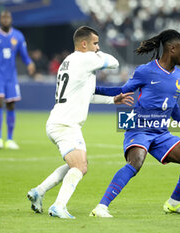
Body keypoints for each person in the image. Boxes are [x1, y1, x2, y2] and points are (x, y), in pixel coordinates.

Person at [90, 29, 180, 218]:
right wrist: (91, 89)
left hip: (161, 133)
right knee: (136, 162)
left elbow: (173, 105)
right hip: (139, 127)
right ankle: (101, 207)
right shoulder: (146, 71)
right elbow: (122, 90)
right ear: (172, 49)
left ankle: (173, 204)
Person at [26, 26, 134, 219]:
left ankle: (39, 191)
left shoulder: (68, 61)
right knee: (80, 167)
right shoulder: (85, 58)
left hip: (58, 121)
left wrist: (112, 100)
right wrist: (100, 54)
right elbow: (115, 62)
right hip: (66, 125)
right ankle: (59, 206)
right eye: (95, 43)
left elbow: (87, 95)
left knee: (76, 165)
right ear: (84, 44)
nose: (98, 47)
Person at [0, 11, 35, 149]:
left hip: (11, 77)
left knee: (11, 105)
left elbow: (24, 55)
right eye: (3, 17)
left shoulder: (18, 36)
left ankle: (9, 139)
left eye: (8, 17)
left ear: (11, 19)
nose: (5, 19)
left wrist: (30, 63)